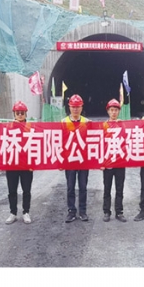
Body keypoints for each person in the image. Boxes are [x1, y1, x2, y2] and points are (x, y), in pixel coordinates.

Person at [5, 101, 34, 225]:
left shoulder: (31, 127)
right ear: (14, 114)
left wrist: (33, 163)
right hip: (12, 164)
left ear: (26, 113)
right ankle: (13, 213)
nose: (20, 115)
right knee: (12, 190)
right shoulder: (8, 127)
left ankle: (26, 212)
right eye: (18, 113)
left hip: (26, 165)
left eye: (22, 113)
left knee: (26, 190)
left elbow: (36, 145)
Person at [62, 94, 90, 223]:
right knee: (70, 187)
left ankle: (82, 211)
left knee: (83, 187)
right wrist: (61, 161)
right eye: (73, 107)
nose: (75, 109)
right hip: (69, 160)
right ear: (69, 107)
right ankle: (71, 211)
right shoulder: (64, 122)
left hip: (83, 160)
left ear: (81, 107)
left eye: (78, 107)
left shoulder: (87, 122)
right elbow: (59, 142)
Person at [102, 99, 127, 222]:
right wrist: (101, 162)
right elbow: (100, 144)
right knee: (107, 188)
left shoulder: (123, 125)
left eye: (116, 110)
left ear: (119, 111)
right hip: (108, 163)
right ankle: (106, 211)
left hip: (120, 162)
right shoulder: (104, 126)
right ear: (108, 111)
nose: (114, 112)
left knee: (119, 188)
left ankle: (119, 212)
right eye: (111, 110)